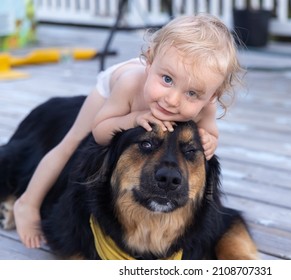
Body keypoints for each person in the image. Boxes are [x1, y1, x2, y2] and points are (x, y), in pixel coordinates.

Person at [13, 13, 243, 248]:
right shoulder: (129, 85)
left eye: (192, 93)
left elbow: (211, 133)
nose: (173, 100)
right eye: (167, 79)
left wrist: (209, 140)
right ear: (150, 60)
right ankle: (27, 204)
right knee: (69, 145)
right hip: (113, 92)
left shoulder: (205, 105)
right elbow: (100, 131)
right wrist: (133, 118)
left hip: (156, 83)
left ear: (211, 96)